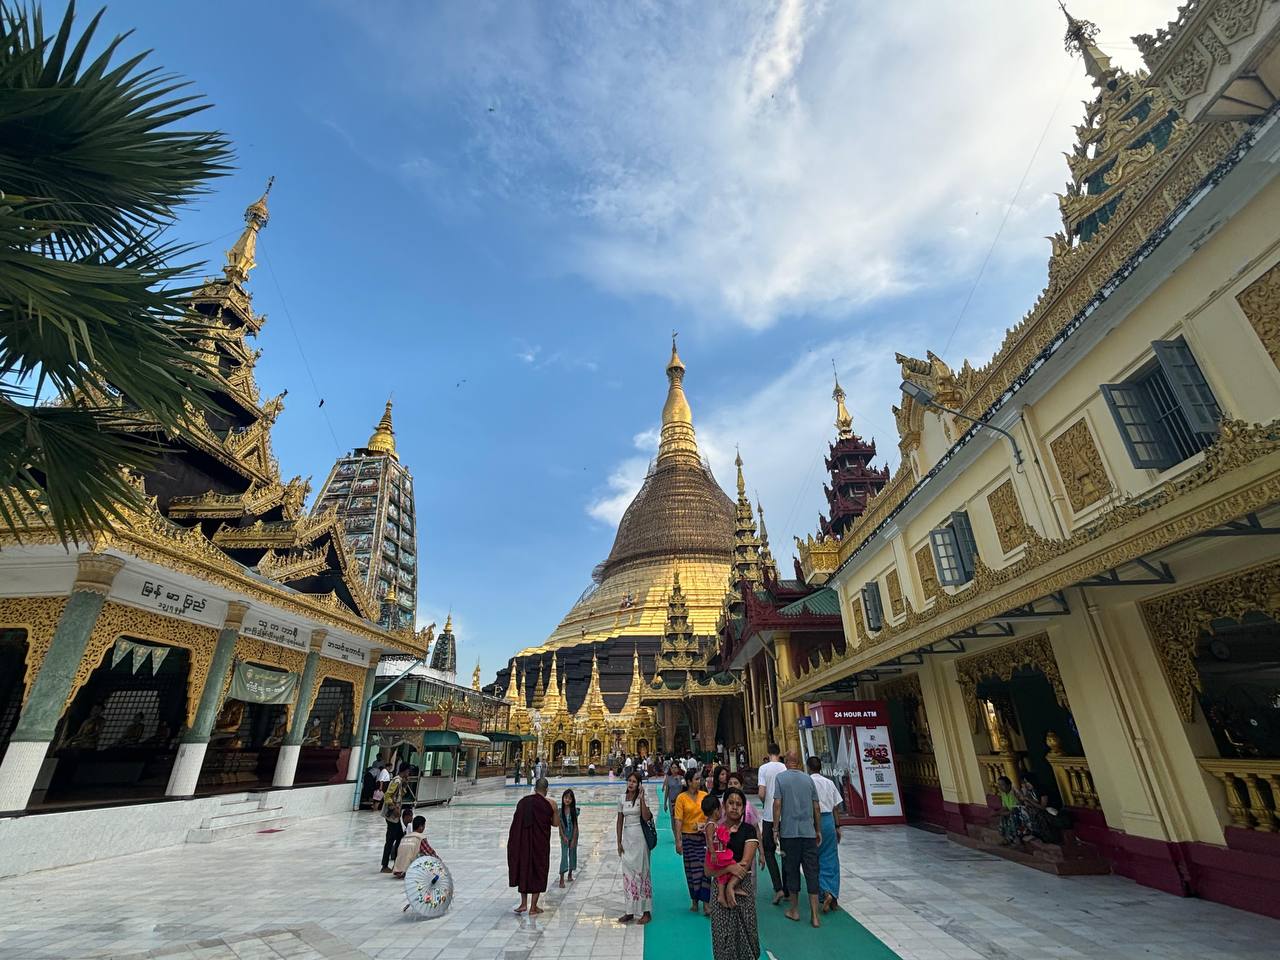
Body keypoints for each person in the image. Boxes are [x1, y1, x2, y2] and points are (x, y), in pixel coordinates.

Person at [707, 787, 760, 960]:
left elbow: (745, 862)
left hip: (742, 886)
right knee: (723, 938)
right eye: (731, 803)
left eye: (739, 804)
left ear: (744, 807)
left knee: (748, 934)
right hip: (718, 889)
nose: (735, 807)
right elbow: (708, 870)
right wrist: (728, 870)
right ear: (723, 806)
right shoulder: (716, 830)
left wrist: (731, 884)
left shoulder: (748, 830)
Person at [773, 750, 822, 927]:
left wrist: (775, 828)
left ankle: (794, 910)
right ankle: (815, 915)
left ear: (786, 762)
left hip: (789, 833)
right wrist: (818, 829)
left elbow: (777, 804)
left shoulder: (781, 778)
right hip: (808, 833)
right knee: (811, 872)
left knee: (791, 870)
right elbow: (816, 807)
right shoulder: (809, 780)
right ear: (799, 763)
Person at [508, 776, 559, 915]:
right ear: (546, 790)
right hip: (540, 843)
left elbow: (516, 824)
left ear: (535, 788)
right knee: (538, 870)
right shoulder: (552, 804)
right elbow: (555, 823)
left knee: (524, 868)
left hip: (523, 843)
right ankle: (533, 907)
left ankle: (523, 904)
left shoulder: (523, 802)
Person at [616, 771, 654, 925]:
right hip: (628, 838)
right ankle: (630, 910)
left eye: (634, 781)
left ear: (639, 784)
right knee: (628, 874)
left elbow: (646, 817)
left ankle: (646, 911)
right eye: (629, 781)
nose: (631, 784)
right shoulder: (621, 799)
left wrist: (642, 798)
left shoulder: (642, 798)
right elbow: (619, 821)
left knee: (643, 872)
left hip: (640, 838)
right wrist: (619, 842)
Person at [806, 756, 844, 912]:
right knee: (831, 858)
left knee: (814, 858)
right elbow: (836, 807)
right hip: (828, 821)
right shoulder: (829, 783)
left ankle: (823, 892)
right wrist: (837, 826)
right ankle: (832, 893)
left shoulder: (807, 782)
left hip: (814, 821)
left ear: (808, 768)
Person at [674, 768, 711, 915]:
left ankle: (706, 903)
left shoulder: (704, 795)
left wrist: (708, 827)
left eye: (699, 779)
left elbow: (710, 815)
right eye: (696, 779)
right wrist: (678, 840)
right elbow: (678, 820)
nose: (699, 781)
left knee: (705, 870)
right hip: (688, 838)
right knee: (692, 870)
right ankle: (695, 900)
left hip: (703, 838)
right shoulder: (681, 798)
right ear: (689, 782)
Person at [756, 742, 787, 904]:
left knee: (769, 851)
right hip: (785, 817)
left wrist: (765, 801)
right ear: (779, 753)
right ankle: (788, 888)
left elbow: (761, 792)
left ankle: (778, 887)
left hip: (769, 816)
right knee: (787, 852)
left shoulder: (764, 769)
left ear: (768, 753)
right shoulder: (784, 768)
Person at [701, 794, 740, 909]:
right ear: (716, 811)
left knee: (723, 874)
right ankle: (729, 889)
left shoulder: (714, 824)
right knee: (732, 866)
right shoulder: (711, 825)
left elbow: (720, 836)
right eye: (720, 809)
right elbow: (709, 839)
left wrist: (729, 831)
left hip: (719, 852)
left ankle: (722, 894)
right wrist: (713, 853)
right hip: (718, 854)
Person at [380, 763, 412, 873]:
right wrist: (394, 808)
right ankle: (385, 865)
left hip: (395, 816)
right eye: (408, 771)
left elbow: (400, 794)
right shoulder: (396, 781)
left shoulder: (400, 781)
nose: (409, 773)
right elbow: (387, 796)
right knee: (390, 839)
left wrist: (405, 784)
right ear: (404, 770)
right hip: (392, 815)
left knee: (399, 836)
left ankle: (395, 860)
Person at [996, 776, 1031, 845]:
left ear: (1009, 785)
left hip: (1022, 814)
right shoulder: (1003, 794)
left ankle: (1016, 837)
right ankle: (1006, 837)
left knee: (1012, 816)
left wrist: (1000, 813)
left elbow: (1016, 809)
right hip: (1013, 812)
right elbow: (1005, 807)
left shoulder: (1015, 792)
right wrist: (997, 813)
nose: (1000, 787)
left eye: (1002, 785)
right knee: (1003, 817)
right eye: (999, 785)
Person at [558, 789, 579, 887]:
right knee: (564, 856)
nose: (567, 800)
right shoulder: (560, 812)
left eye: (570, 798)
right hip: (564, 836)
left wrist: (574, 839)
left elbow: (575, 826)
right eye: (566, 797)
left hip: (573, 835)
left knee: (572, 854)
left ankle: (570, 873)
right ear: (563, 798)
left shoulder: (574, 811)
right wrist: (563, 836)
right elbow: (560, 827)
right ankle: (561, 878)